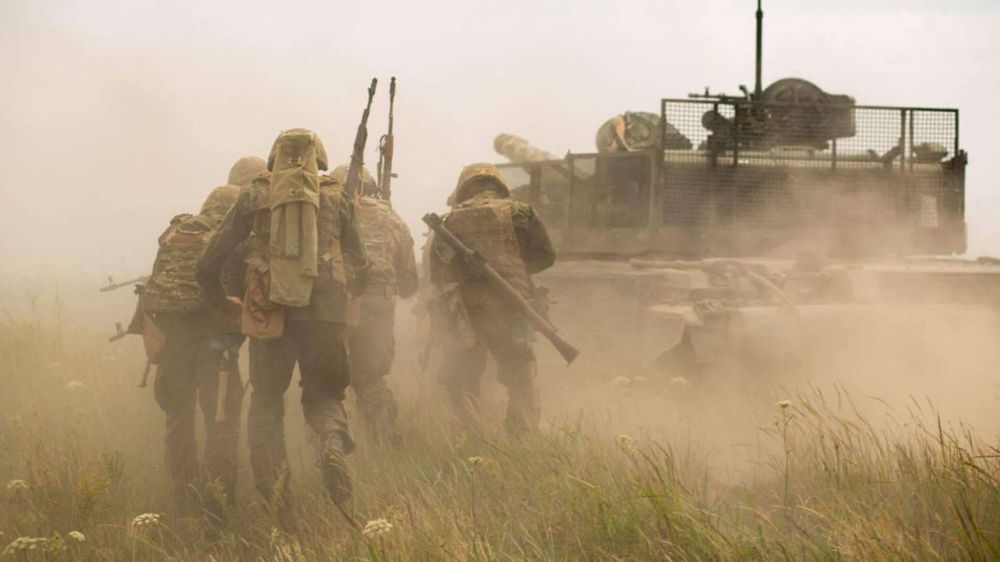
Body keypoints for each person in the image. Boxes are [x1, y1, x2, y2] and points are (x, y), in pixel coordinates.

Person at [197, 129, 368, 506]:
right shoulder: (337, 196)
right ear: (319, 158)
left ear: (274, 157)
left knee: (267, 402)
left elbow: (208, 260)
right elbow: (362, 264)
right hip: (326, 315)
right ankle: (331, 444)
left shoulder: (255, 193)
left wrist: (222, 301)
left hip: (269, 313)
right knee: (325, 396)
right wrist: (346, 298)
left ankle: (279, 501)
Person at [139, 183, 246, 513]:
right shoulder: (234, 237)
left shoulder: (175, 232)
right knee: (221, 425)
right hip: (217, 345)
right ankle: (218, 509)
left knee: (178, 421)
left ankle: (186, 499)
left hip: (173, 343)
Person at [428, 163, 555, 436]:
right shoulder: (520, 212)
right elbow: (546, 256)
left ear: (463, 189)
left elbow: (436, 275)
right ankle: (520, 441)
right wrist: (514, 269)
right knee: (520, 375)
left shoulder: (447, 222)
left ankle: (470, 438)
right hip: (512, 307)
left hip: (465, 312)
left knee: (461, 378)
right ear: (498, 185)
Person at [330, 164, 418, 445]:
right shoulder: (391, 218)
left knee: (325, 387)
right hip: (376, 310)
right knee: (371, 382)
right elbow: (409, 285)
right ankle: (384, 444)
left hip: (332, 306)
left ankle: (329, 448)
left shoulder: (325, 211)